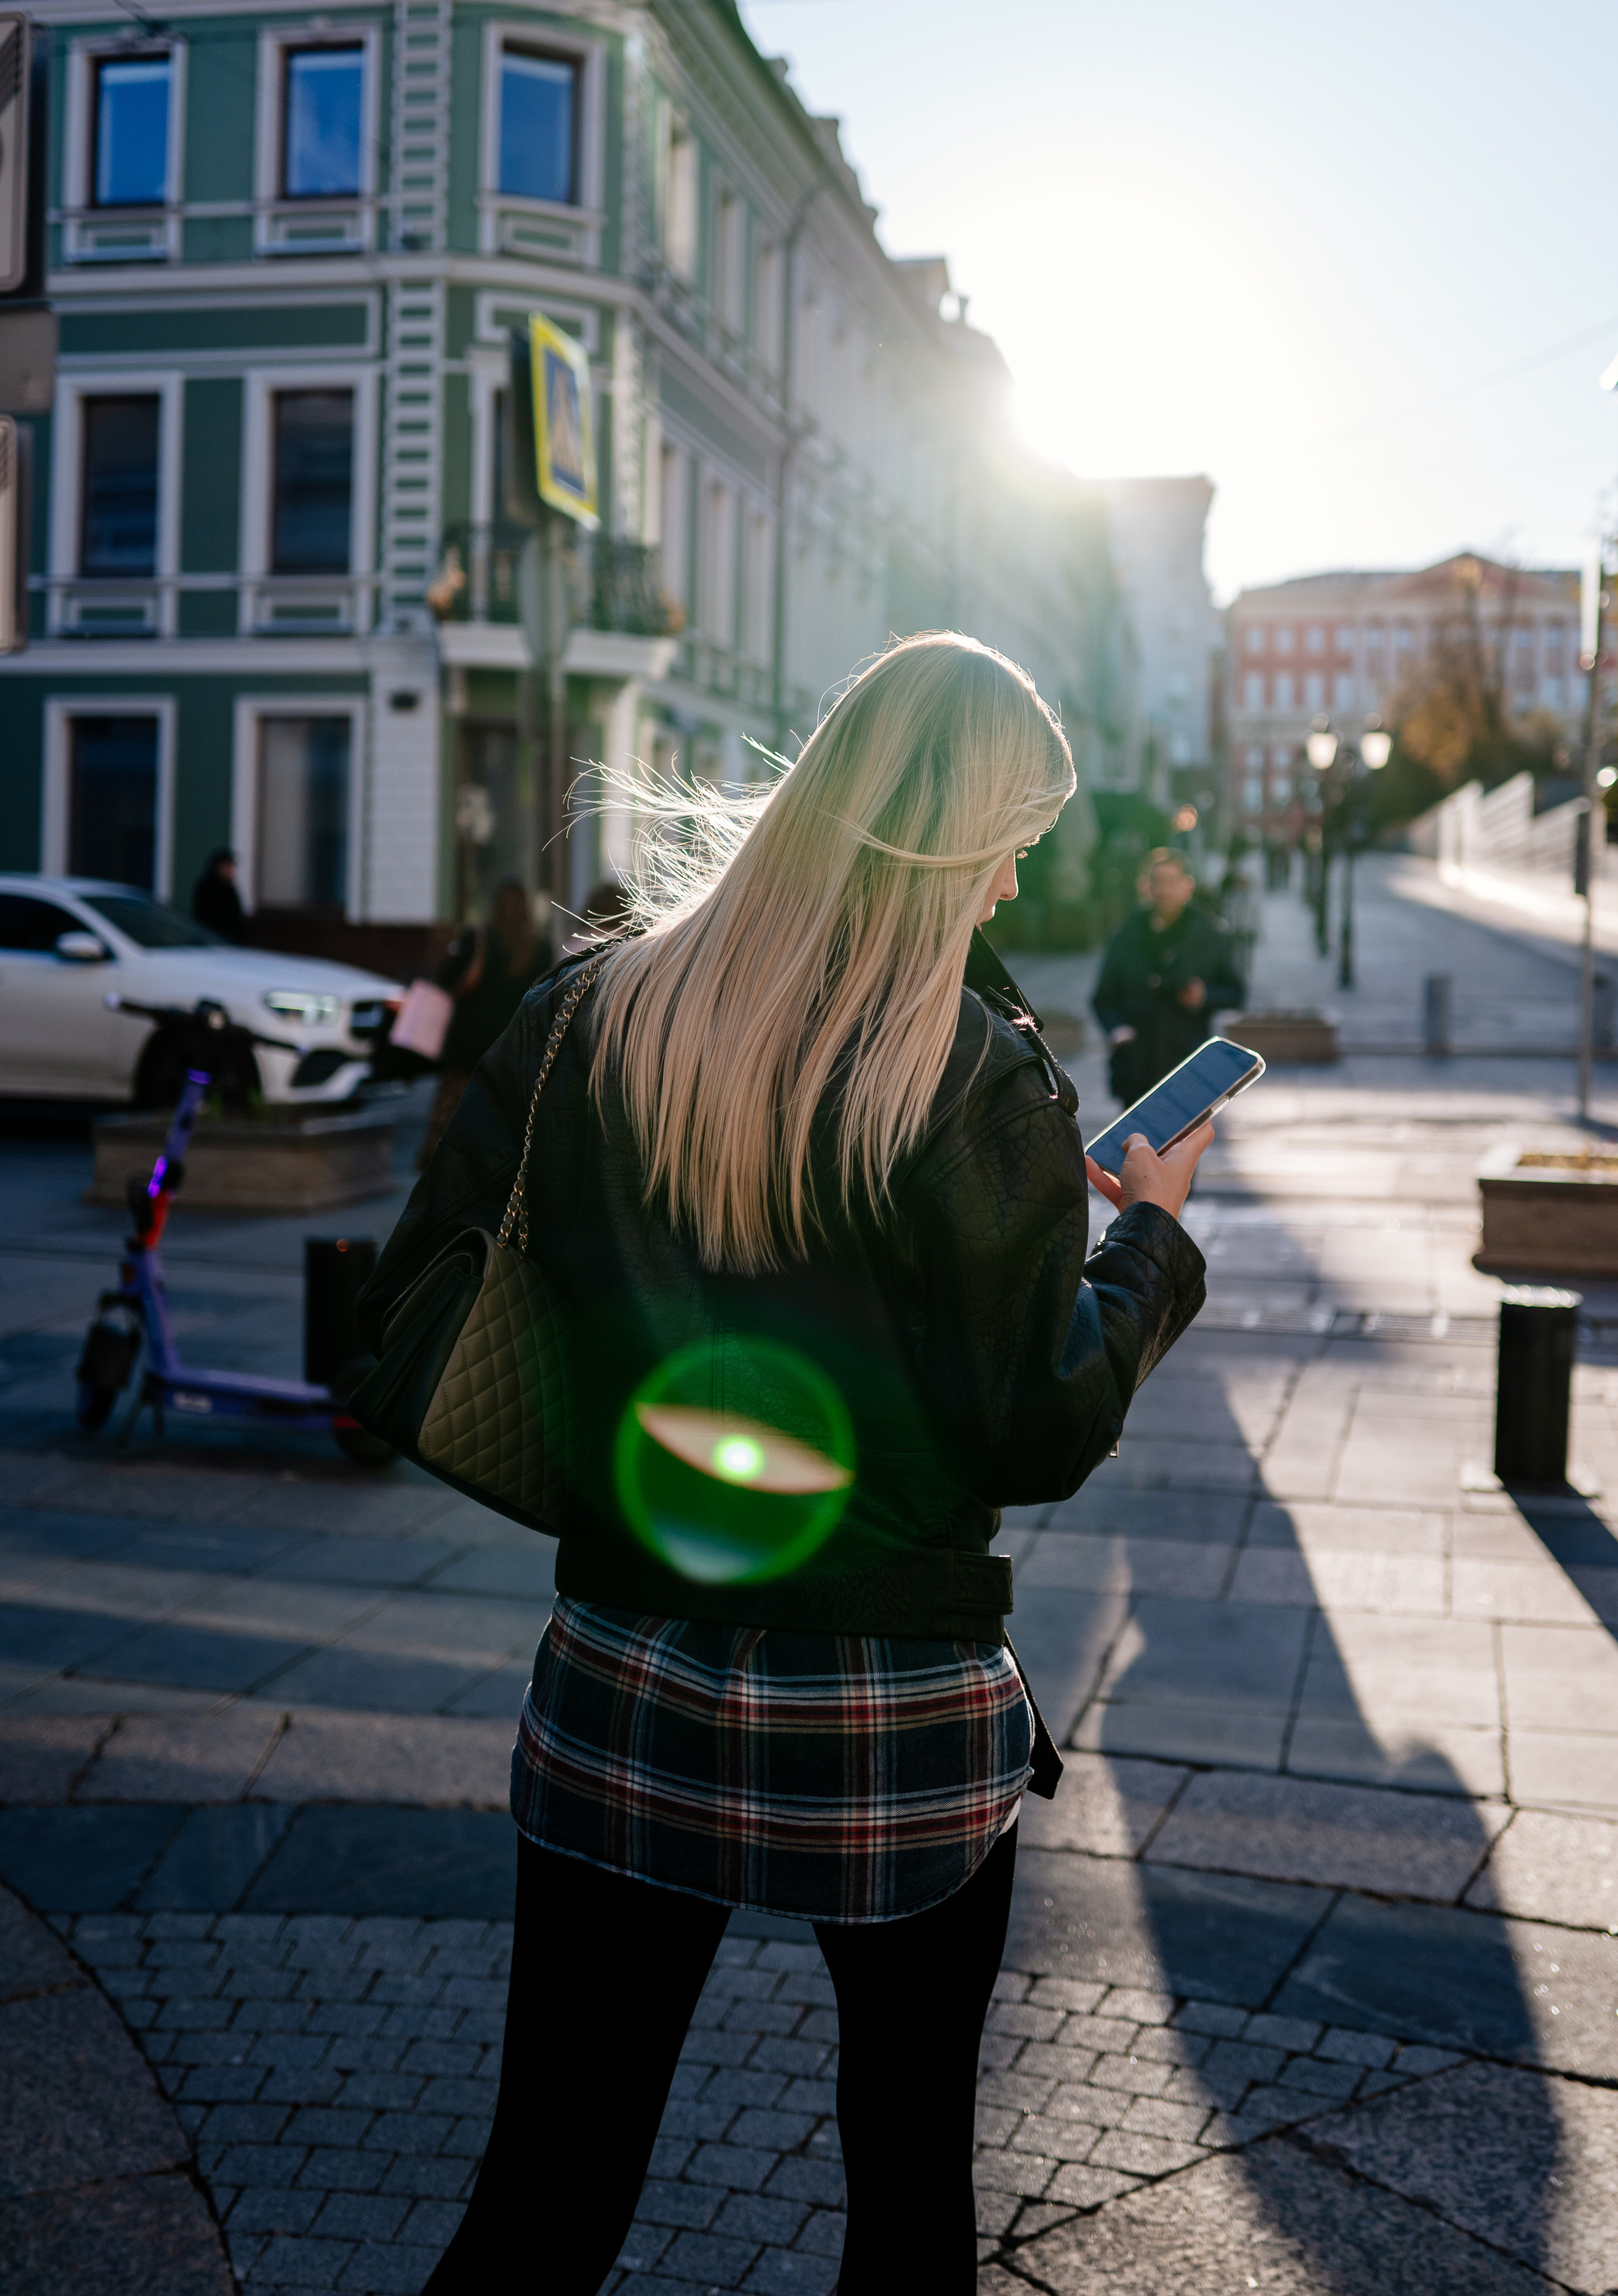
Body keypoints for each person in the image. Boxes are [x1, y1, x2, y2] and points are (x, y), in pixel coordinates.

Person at [361, 632, 1210, 2296]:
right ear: (943, 842)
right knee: (905, 2197)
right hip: (895, 1711)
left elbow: (436, 1269)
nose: (1019, 871)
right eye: (1009, 837)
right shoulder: (971, 1071)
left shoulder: (593, 1010)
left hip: (622, 1668)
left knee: (544, 2187)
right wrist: (1152, 1238)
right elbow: (1035, 1428)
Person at [414, 880, 554, 1170]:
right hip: (512, 1046)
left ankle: (439, 1166)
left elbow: (447, 979)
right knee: (501, 1113)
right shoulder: (539, 949)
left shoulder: (478, 940)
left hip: (468, 1045)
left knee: (451, 1110)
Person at [1092, 846, 1246, 1105]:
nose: (1164, 891)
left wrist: (1204, 995)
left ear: (1188, 886)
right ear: (1146, 887)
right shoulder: (1126, 936)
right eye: (1158, 882)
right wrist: (1117, 1030)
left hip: (1187, 1061)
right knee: (1137, 1141)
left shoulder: (1210, 936)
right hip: (1137, 1064)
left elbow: (1237, 993)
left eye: (1172, 882)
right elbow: (1103, 998)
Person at [188, 848, 247, 943]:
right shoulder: (207, 887)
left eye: (231, 866)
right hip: (212, 938)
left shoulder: (229, 888)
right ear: (219, 867)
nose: (231, 870)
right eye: (227, 866)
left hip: (229, 939)